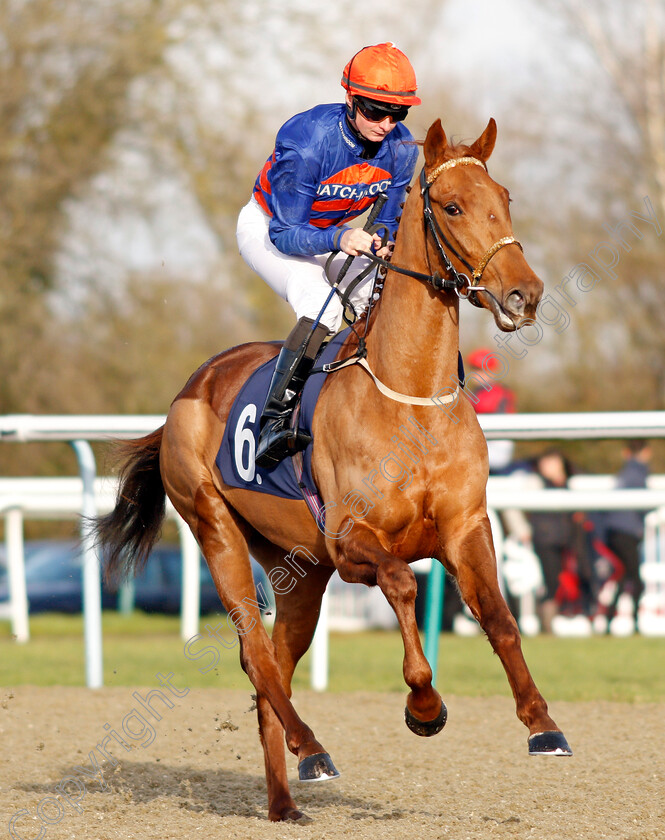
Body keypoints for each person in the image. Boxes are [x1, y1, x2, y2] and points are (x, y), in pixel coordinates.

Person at [236, 42, 421, 468]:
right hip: (271, 228)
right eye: (375, 111)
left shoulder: (403, 149)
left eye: (398, 114)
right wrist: (341, 239)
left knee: (387, 294)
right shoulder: (306, 141)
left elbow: (386, 223)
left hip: (340, 235)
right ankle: (274, 421)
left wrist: (382, 242)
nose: (386, 124)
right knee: (321, 303)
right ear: (351, 99)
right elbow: (285, 234)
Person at [603, 439, 651, 630]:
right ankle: (636, 622)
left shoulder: (625, 473)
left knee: (623, 578)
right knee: (635, 580)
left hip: (617, 532)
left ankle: (608, 620)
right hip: (627, 533)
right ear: (646, 452)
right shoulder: (637, 473)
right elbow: (643, 506)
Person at [465, 348, 516, 474]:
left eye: (481, 370)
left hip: (495, 448)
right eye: (475, 369)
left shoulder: (499, 393)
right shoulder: (474, 393)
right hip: (480, 446)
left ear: (491, 371)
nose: (477, 373)